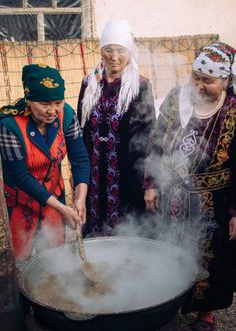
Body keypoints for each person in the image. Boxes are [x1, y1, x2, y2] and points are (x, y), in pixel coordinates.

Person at [148, 42, 236, 331]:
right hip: (173, 193)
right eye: (196, 76)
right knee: (170, 249)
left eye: (207, 80)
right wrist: (151, 183)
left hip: (216, 200)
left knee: (209, 254)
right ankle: (170, 304)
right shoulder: (176, 100)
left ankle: (205, 311)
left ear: (225, 81)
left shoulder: (233, 111)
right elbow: (155, 144)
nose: (198, 85)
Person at [0, 64, 90, 262]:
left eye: (58, 102)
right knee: (20, 262)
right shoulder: (9, 125)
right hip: (20, 203)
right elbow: (21, 176)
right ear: (29, 100)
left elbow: (80, 159)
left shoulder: (65, 115)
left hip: (53, 201)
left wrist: (80, 197)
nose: (52, 110)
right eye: (45, 104)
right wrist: (62, 208)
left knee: (54, 258)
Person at [77, 19, 157, 236]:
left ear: (130, 51)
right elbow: (81, 131)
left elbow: (150, 137)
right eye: (108, 49)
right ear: (101, 51)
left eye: (120, 50)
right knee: (94, 232)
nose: (114, 56)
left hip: (127, 176)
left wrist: (150, 183)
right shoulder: (89, 84)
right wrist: (79, 179)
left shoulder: (140, 87)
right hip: (94, 177)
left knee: (127, 233)